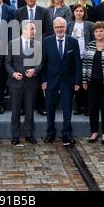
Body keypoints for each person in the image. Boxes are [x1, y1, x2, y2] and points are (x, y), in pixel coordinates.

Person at [42, 17, 82, 146]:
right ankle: (50, 133)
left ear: (66, 27)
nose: (59, 29)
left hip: (68, 81)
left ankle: (67, 134)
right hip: (51, 80)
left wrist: (77, 82)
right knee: (50, 107)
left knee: (67, 108)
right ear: (54, 28)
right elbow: (43, 63)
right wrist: (43, 80)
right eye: (57, 27)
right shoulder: (46, 42)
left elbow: (77, 64)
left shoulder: (73, 42)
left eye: (62, 27)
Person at [15, 0, 53, 117]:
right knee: (23, 76)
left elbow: (48, 30)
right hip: (22, 48)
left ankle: (40, 106)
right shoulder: (19, 12)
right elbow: (15, 30)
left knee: (36, 76)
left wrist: (36, 39)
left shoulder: (44, 12)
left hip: (38, 48)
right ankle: (22, 107)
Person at [5, 21, 42, 145]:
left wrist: (35, 70)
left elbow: (40, 63)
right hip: (15, 83)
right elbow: (7, 63)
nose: (34, 31)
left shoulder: (37, 44)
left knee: (29, 110)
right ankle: (15, 135)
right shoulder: (12, 43)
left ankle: (28, 134)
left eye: (34, 29)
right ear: (24, 30)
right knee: (15, 110)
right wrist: (13, 74)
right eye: (32, 29)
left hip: (31, 83)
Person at [67, 4, 95, 116]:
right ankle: (79, 106)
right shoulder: (69, 25)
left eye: (81, 11)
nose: (79, 13)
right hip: (73, 58)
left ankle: (88, 106)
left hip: (86, 57)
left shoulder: (90, 25)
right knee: (76, 82)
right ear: (73, 13)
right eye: (76, 11)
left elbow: (93, 41)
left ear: (84, 13)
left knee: (87, 82)